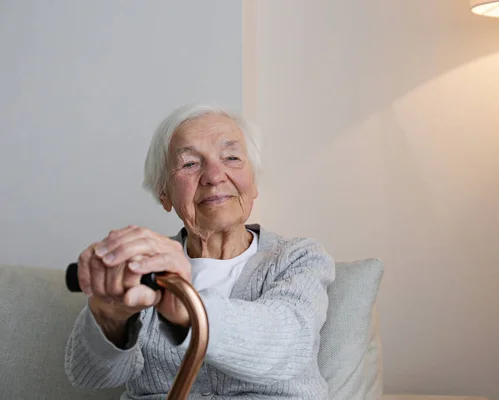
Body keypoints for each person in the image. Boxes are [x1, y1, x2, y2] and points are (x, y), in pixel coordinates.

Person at [64, 104, 335, 399]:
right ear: (163, 192)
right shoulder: (146, 264)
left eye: (231, 158)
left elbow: (289, 344)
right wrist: (110, 316)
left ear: (253, 183)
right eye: (190, 163)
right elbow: (90, 376)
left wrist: (186, 308)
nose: (214, 176)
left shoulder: (300, 257)